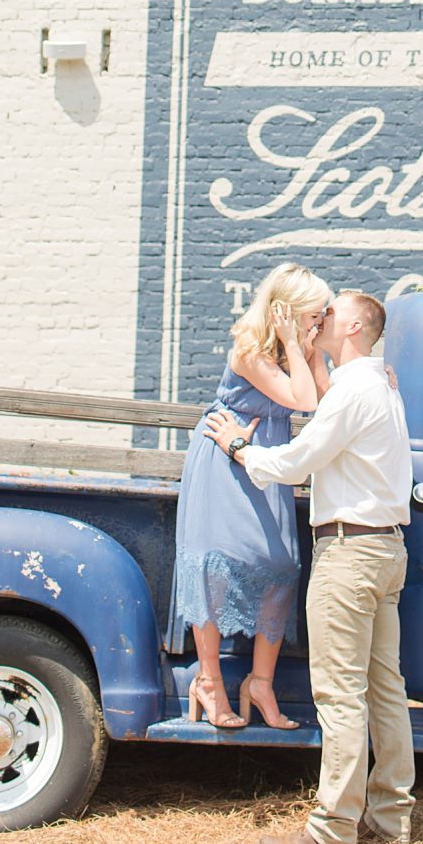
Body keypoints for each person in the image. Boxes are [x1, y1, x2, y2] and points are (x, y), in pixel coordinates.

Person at [206, 289, 415, 844]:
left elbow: (297, 462)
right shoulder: (379, 386)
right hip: (386, 550)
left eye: (330, 313)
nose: (320, 319)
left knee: (341, 693)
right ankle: (391, 816)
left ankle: (332, 829)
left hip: (348, 553)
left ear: (352, 326)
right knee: (384, 690)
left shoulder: (355, 391)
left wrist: (240, 449)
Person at [171, 262, 332, 729]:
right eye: (311, 315)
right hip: (226, 457)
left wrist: (312, 347)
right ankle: (209, 680)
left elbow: (321, 398)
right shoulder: (249, 349)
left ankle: (260, 684)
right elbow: (300, 401)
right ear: (285, 312)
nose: (317, 323)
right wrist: (292, 345)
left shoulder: (299, 349)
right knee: (215, 565)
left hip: (266, 459)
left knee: (280, 566)